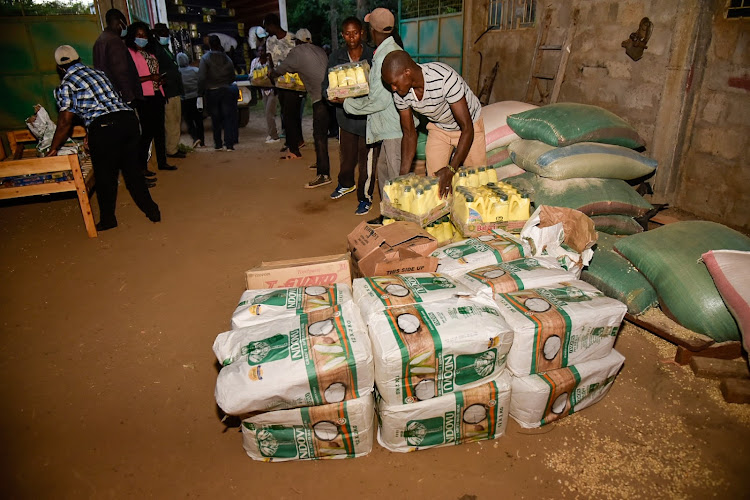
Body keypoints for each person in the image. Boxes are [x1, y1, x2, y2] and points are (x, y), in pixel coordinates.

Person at [46, 45, 160, 231]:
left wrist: (53, 149)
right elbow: (105, 104)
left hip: (105, 128)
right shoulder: (98, 73)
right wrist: (91, 133)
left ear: (60, 68)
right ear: (79, 60)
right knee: (132, 172)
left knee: (105, 176)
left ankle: (108, 220)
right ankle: (153, 211)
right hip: (129, 120)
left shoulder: (66, 85)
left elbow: (65, 122)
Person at [382, 51, 486, 198]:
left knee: (476, 185)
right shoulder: (400, 94)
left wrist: (451, 168)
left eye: (394, 82)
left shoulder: (444, 78)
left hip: (469, 126)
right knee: (434, 184)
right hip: (439, 128)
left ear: (407, 72)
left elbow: (467, 128)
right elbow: (409, 134)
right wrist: (402, 177)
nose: (393, 88)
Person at [340, 9, 405, 222]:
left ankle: (400, 221)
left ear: (372, 30)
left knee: (396, 177)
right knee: (385, 172)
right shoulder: (385, 51)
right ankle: (388, 215)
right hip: (387, 126)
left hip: (393, 126)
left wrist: (347, 103)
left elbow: (379, 100)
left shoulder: (388, 55)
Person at [324, 16, 375, 216]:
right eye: (347, 33)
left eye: (355, 32)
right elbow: (325, 84)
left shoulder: (372, 55)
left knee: (366, 160)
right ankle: (345, 183)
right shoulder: (336, 57)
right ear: (342, 34)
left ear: (362, 32)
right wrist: (331, 96)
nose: (351, 37)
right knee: (347, 156)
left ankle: (365, 197)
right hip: (345, 116)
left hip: (368, 118)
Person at [271, 31, 330, 188]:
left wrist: (272, 74)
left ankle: (324, 174)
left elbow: (281, 69)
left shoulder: (297, 52)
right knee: (322, 133)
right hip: (332, 95)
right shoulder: (319, 49)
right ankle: (320, 162)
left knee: (319, 135)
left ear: (297, 41)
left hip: (320, 97)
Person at [125, 22, 177, 183]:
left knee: (159, 130)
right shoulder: (130, 53)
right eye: (139, 35)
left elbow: (154, 71)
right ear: (133, 36)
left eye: (145, 35)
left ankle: (162, 162)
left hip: (157, 94)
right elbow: (130, 79)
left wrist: (160, 79)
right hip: (144, 97)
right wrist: (150, 78)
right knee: (147, 132)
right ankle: (141, 166)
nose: (142, 38)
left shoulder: (150, 52)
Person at [263, 13, 303, 159]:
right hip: (279, 84)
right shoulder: (270, 41)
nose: (266, 30)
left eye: (266, 26)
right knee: (286, 115)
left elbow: (301, 58)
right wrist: (271, 75)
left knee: (290, 116)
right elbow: (270, 61)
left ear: (272, 25)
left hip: (294, 84)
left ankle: (294, 149)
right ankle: (293, 143)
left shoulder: (292, 39)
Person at [198, 35, 239, 151]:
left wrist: (200, 93)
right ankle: (229, 144)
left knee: (215, 118)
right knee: (227, 117)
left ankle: (218, 144)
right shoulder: (226, 58)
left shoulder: (205, 58)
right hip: (226, 90)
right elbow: (232, 75)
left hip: (212, 91)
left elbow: (201, 77)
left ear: (209, 44)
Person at [92, 8, 141, 104]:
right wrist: (129, 97)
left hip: (108, 94)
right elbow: (121, 71)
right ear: (120, 22)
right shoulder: (115, 41)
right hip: (120, 95)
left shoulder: (99, 41)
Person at [154, 23, 185, 159]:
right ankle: (171, 150)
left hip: (174, 91)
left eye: (166, 33)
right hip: (167, 92)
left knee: (176, 121)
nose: (166, 36)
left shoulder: (165, 49)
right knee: (171, 122)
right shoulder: (156, 50)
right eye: (162, 33)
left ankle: (174, 147)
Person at [250, 44, 279, 143]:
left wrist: (270, 62)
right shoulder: (254, 62)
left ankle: (274, 136)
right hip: (262, 90)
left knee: (269, 113)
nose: (260, 53)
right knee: (268, 113)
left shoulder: (270, 62)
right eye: (259, 51)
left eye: (262, 51)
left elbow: (275, 75)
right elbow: (251, 75)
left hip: (272, 90)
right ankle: (271, 133)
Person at [177, 52, 204, 148]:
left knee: (189, 120)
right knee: (198, 119)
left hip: (184, 100)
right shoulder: (195, 70)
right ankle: (202, 141)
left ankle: (195, 138)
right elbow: (201, 82)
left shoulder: (177, 72)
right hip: (196, 98)